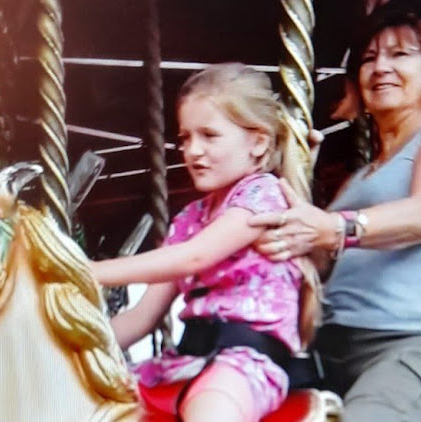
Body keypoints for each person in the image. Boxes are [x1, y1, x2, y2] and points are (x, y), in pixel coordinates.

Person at [249, 3, 421, 421]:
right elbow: (321, 263)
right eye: (369, 58)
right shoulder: (361, 178)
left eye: (400, 54)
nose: (381, 66)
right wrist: (289, 180)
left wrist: (332, 226)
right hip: (333, 348)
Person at [90, 63, 318, 422]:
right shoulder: (190, 219)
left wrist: (91, 271)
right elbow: (141, 316)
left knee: (211, 411)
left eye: (209, 136)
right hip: (187, 360)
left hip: (246, 363)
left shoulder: (262, 195)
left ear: (257, 142)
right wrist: (72, 348)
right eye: (185, 137)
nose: (193, 150)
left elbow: (196, 257)